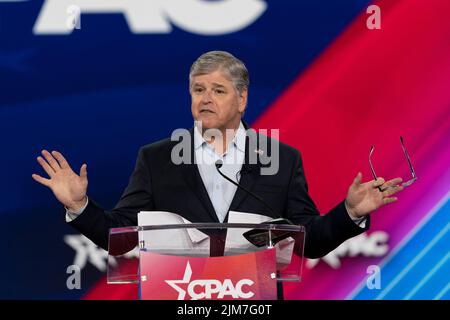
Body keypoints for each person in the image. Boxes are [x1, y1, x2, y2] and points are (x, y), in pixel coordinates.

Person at [32, 51, 403, 258]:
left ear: (242, 99)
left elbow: (311, 241)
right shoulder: (157, 158)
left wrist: (350, 211)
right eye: (198, 89)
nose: (205, 98)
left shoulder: (282, 159)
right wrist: (80, 207)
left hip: (251, 299)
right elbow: (122, 237)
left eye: (218, 90)